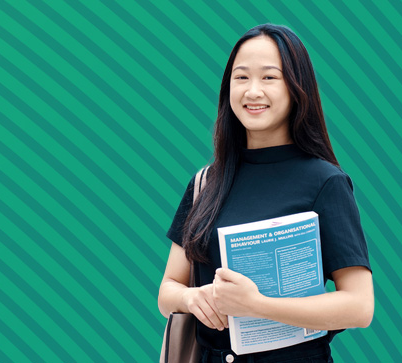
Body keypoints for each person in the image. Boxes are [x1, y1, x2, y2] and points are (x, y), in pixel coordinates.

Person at [157, 24, 374, 363]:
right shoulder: (205, 183)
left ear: (296, 88)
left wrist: (255, 306)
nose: (252, 91)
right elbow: (168, 288)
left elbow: (359, 306)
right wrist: (191, 299)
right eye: (241, 78)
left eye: (270, 78)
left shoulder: (325, 182)